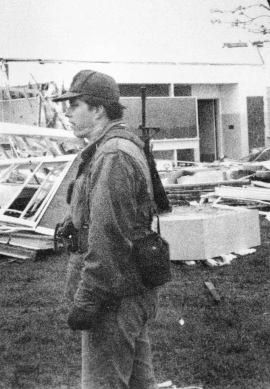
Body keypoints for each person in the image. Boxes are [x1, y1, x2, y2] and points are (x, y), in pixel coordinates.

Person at [53, 70, 159, 389]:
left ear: (98, 109)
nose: (67, 112)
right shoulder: (119, 147)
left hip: (112, 297)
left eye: (74, 104)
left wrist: (86, 301)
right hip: (132, 288)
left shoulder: (112, 155)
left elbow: (109, 240)